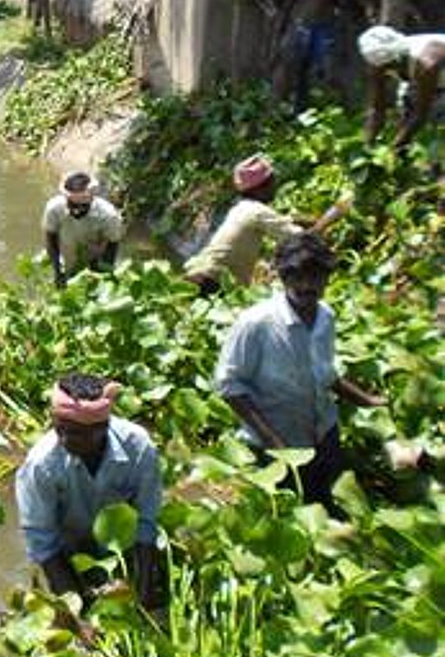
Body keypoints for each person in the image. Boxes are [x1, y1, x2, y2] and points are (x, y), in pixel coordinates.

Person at [215, 233, 384, 507]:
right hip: (277, 443)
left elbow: (326, 374)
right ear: (283, 277)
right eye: (298, 277)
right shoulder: (256, 323)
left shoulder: (326, 317)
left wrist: (369, 402)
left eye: (316, 277)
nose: (308, 285)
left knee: (329, 502)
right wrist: (277, 445)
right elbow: (230, 386)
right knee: (292, 509)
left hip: (324, 431)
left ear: (328, 277)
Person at [14, 373, 163, 612]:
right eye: (59, 428)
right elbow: (42, 542)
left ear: (103, 427)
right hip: (69, 550)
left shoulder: (139, 447)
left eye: (76, 433)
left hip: (121, 546)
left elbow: (146, 522)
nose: (64, 439)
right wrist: (76, 612)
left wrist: (143, 592)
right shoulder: (40, 466)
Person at [184, 154, 346, 295]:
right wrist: (334, 214)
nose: (275, 187)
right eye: (272, 182)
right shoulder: (258, 212)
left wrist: (312, 220)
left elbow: (285, 220)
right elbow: (304, 239)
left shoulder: (242, 208)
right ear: (260, 188)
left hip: (198, 272)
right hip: (212, 281)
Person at [357, 25, 445, 148]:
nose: (383, 71)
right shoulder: (377, 62)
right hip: (421, 80)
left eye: (388, 66)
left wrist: (394, 149)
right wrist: (367, 144)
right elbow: (377, 108)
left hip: (436, 78)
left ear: (397, 58)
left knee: (438, 122)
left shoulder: (426, 64)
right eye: (380, 67)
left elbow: (421, 113)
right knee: (404, 118)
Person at [42, 172, 124, 289]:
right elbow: (50, 238)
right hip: (67, 261)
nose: (76, 211)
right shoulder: (54, 208)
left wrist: (102, 275)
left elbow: (112, 245)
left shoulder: (108, 215)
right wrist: (57, 270)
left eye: (82, 207)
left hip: (95, 262)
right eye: (73, 205)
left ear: (91, 199)